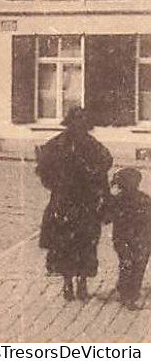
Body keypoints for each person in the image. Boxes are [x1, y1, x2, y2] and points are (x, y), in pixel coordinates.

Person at [36, 106, 114, 300]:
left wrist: (101, 195)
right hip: (68, 202)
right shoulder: (59, 145)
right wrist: (58, 186)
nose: (79, 127)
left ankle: (80, 283)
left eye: (82, 124)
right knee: (68, 243)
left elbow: (104, 168)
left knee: (83, 243)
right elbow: (44, 171)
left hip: (81, 203)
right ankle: (70, 283)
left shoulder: (91, 145)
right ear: (70, 124)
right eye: (76, 123)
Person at [103, 167, 151, 310]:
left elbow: (106, 219)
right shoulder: (145, 199)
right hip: (141, 239)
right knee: (137, 265)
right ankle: (131, 293)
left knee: (127, 263)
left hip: (124, 239)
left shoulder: (116, 200)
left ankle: (126, 292)